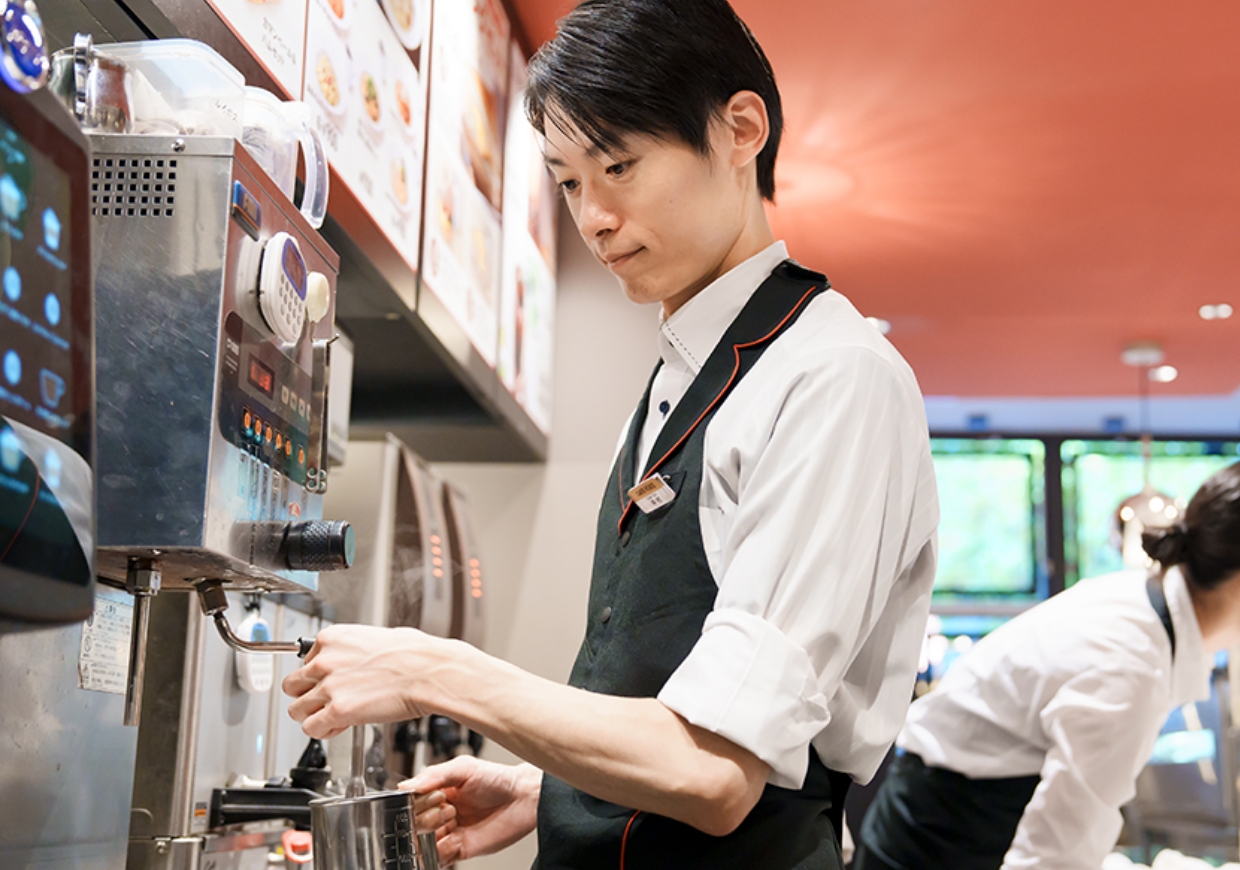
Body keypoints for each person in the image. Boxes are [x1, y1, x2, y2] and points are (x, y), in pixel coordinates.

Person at [283, 1, 939, 866]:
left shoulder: (832, 378)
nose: (591, 217)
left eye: (619, 166)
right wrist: (547, 788)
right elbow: (672, 700)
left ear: (741, 130)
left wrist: (433, 671)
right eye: (566, 182)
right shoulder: (684, 369)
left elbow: (715, 771)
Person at [854, 461, 1240, 870]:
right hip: (941, 832)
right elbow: (1052, 859)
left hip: (939, 803)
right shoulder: (1132, 665)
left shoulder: (1141, 607)